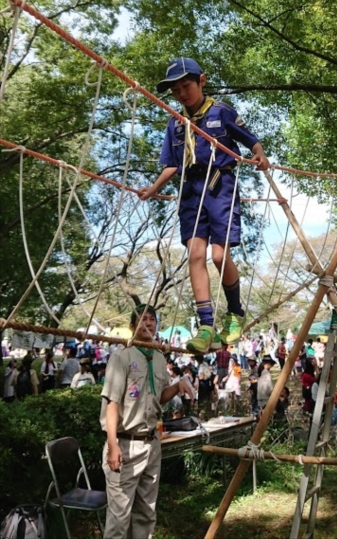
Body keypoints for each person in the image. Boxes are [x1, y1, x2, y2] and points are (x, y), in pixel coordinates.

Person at [138, 58, 269, 353]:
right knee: (195, 254)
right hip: (190, 191)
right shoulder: (174, 122)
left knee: (220, 257)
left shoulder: (221, 112)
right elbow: (171, 164)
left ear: (202, 81)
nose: (182, 94)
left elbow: (251, 141)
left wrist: (259, 155)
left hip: (220, 187)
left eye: (186, 86)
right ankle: (206, 325)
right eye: (175, 90)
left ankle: (234, 313)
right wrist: (153, 188)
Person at [100, 303, 188, 539]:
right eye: (142, 319)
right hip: (125, 444)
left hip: (151, 444)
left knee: (146, 513)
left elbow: (158, 396)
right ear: (132, 325)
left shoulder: (159, 358)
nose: (147, 323)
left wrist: (178, 386)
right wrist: (112, 444)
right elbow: (112, 403)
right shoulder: (122, 357)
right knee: (119, 518)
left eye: (151, 319)